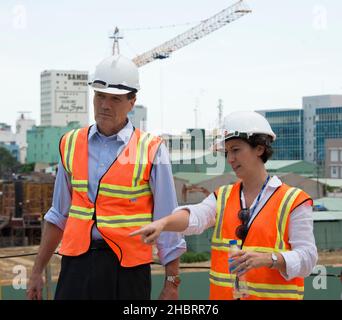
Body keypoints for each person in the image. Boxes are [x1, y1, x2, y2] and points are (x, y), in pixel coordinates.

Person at [27, 54, 186, 300]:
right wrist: (37, 271)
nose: (105, 105)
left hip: (127, 271)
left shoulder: (151, 149)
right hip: (75, 265)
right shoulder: (70, 143)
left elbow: (167, 221)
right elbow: (58, 215)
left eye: (115, 98)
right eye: (100, 96)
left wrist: (172, 283)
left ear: (132, 101)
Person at [131, 111, 318, 300]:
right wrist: (163, 223)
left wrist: (269, 259)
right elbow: (196, 216)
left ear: (259, 149)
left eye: (236, 150)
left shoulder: (294, 201)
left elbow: (308, 258)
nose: (230, 159)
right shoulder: (223, 196)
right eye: (227, 152)